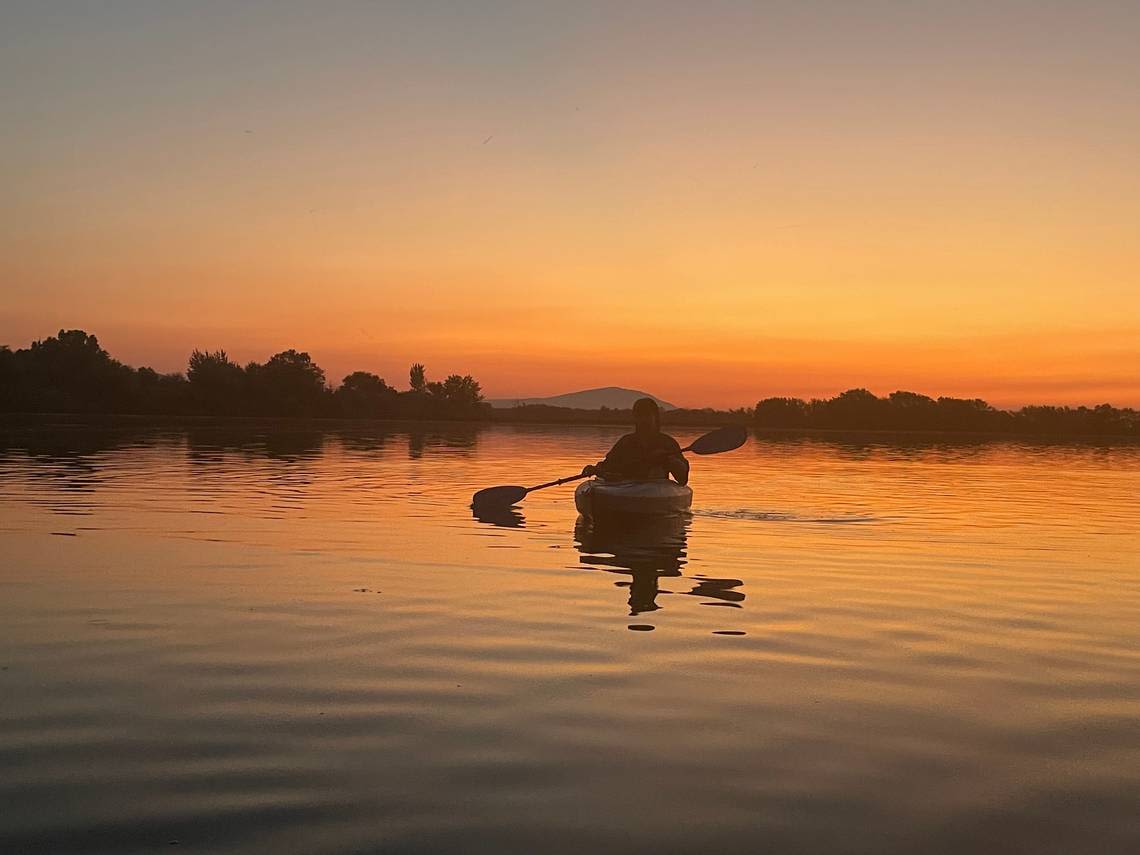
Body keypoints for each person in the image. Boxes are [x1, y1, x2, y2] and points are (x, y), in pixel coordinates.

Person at [582, 397, 689, 485]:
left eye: (647, 415)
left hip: (656, 489)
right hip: (628, 488)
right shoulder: (626, 442)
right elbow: (609, 466)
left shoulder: (667, 443)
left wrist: (668, 460)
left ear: (655, 417)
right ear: (635, 418)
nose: (643, 420)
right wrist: (595, 469)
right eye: (640, 415)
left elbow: (682, 479)